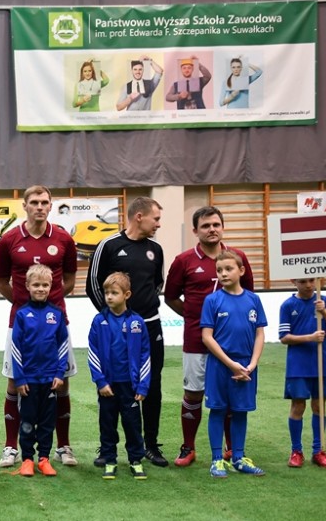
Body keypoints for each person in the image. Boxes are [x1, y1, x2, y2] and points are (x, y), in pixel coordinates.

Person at [164, 206, 254, 467]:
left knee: (229, 396)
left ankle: (231, 448)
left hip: (232, 344)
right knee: (193, 394)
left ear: (222, 227)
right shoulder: (183, 261)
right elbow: (170, 297)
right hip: (196, 341)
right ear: (195, 231)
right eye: (205, 226)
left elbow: (249, 295)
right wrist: (196, 318)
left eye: (216, 224)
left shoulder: (238, 257)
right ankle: (188, 447)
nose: (212, 229)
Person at [0, 185, 78, 468]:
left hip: (57, 323)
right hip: (20, 324)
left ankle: (63, 446)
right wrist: (25, 307)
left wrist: (48, 308)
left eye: (44, 202)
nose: (39, 207)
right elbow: (2, 282)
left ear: (51, 205)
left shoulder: (64, 239)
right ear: (25, 206)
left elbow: (69, 280)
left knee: (61, 381)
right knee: (14, 381)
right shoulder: (9, 240)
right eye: (34, 202)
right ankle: (11, 447)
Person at [87, 197, 166, 466]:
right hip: (115, 329)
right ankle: (107, 449)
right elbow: (93, 285)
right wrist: (113, 318)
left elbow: (157, 285)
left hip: (150, 324)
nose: (158, 224)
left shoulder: (156, 249)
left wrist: (139, 318)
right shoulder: (108, 245)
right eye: (156, 218)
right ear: (139, 216)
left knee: (152, 383)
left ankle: (150, 445)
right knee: (111, 385)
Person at [201, 250, 267, 478]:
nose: (223, 273)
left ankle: (238, 457)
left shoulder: (253, 299)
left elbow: (260, 334)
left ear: (241, 271)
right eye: (219, 270)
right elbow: (207, 337)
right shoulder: (212, 300)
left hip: (246, 367)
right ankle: (216, 459)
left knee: (240, 411)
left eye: (228, 269)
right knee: (218, 410)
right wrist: (231, 364)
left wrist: (252, 364)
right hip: (220, 366)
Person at [88, 272, 151, 480]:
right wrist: (100, 381)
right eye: (106, 292)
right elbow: (93, 353)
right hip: (108, 385)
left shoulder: (137, 322)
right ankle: (109, 459)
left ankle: (135, 459)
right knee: (107, 423)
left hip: (130, 386)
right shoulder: (99, 321)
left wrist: (142, 385)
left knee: (132, 424)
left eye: (114, 292)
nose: (109, 296)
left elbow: (145, 355)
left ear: (127, 295)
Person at [12, 264, 69, 478]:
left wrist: (59, 373)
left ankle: (44, 458)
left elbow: (63, 345)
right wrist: (20, 378)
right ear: (27, 286)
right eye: (36, 285)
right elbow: (16, 348)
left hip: (49, 380)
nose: (41, 289)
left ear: (51, 286)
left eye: (45, 285)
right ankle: (27, 459)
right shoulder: (21, 314)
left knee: (47, 422)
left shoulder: (56, 314)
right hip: (28, 380)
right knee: (27, 421)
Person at [280, 278, 326, 468]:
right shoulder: (288, 305)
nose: (308, 285)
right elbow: (284, 337)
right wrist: (310, 337)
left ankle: (319, 451)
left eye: (311, 281)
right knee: (298, 406)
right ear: (294, 282)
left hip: (322, 362)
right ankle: (296, 451)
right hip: (298, 365)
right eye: (303, 281)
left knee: (319, 406)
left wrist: (324, 311)